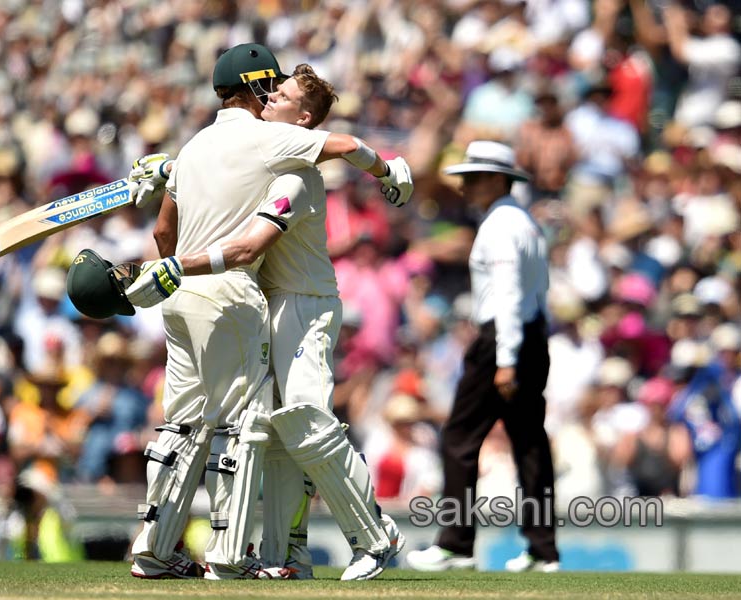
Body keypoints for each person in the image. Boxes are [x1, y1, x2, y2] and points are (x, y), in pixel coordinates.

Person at [111, 43, 411, 580]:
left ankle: (373, 534)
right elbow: (233, 180)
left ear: (302, 119)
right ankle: (281, 554)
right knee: (263, 429)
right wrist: (172, 172)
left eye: (284, 94)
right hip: (251, 301)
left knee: (297, 419)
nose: (272, 95)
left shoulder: (286, 162)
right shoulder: (255, 148)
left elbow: (243, 244)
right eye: (269, 87)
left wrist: (388, 171)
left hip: (303, 302)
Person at [407, 141, 559, 573]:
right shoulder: (525, 222)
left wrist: (506, 357)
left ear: (497, 178)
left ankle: (456, 544)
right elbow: (536, 293)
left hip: (501, 341)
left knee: (459, 438)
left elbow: (508, 294)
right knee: (529, 442)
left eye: (474, 178)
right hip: (529, 335)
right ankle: (542, 550)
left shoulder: (500, 225)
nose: (465, 186)